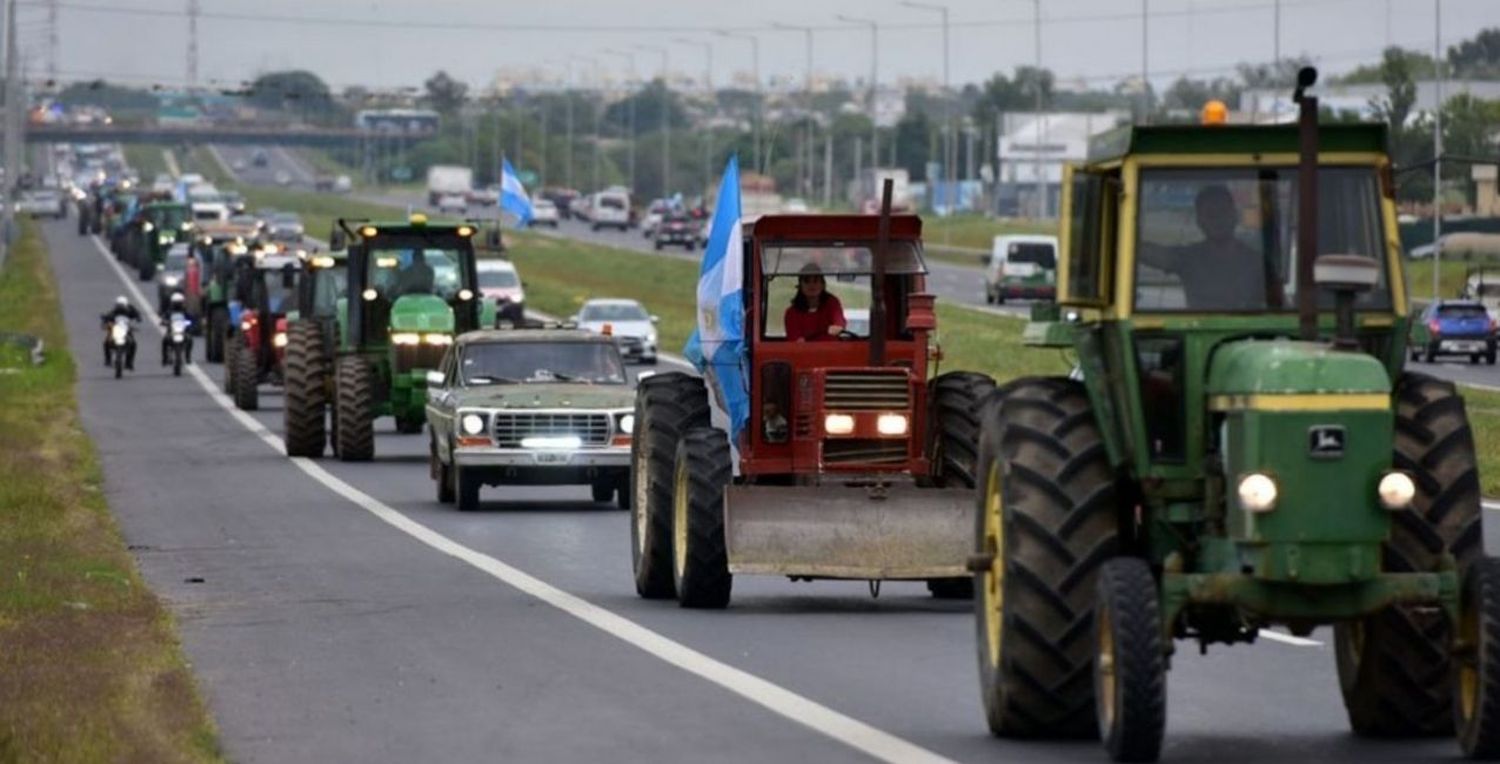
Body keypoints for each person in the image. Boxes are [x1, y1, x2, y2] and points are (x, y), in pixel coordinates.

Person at [1137, 184, 1284, 310]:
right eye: (1210, 214)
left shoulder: (1257, 263)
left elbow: (1279, 308)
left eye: (1222, 212)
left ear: (1234, 216)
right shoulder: (1189, 258)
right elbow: (1147, 253)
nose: (1218, 220)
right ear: (1199, 221)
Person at [782, 263, 847, 342]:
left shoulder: (832, 303)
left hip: (831, 351)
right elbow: (796, 341)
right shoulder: (791, 313)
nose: (811, 285)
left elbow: (838, 324)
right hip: (805, 353)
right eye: (807, 281)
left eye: (816, 281)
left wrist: (837, 328)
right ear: (800, 285)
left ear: (822, 284)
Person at [100, 295, 141, 370]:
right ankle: (108, 359)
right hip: (116, 329)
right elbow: (107, 317)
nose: (120, 307)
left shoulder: (131, 310)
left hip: (126, 329)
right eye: (119, 305)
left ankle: (129, 362)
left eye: (122, 305)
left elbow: (137, 315)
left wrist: (138, 318)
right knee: (106, 342)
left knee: (133, 343)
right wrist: (105, 320)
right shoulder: (113, 312)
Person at [159, 292, 194, 366]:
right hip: (171, 333)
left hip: (183, 332)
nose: (177, 304)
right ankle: (165, 358)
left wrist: (189, 323)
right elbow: (164, 318)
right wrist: (164, 322)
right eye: (176, 303)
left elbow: (191, 319)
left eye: (179, 302)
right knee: (165, 341)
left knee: (190, 340)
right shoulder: (169, 312)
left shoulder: (185, 311)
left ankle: (188, 357)